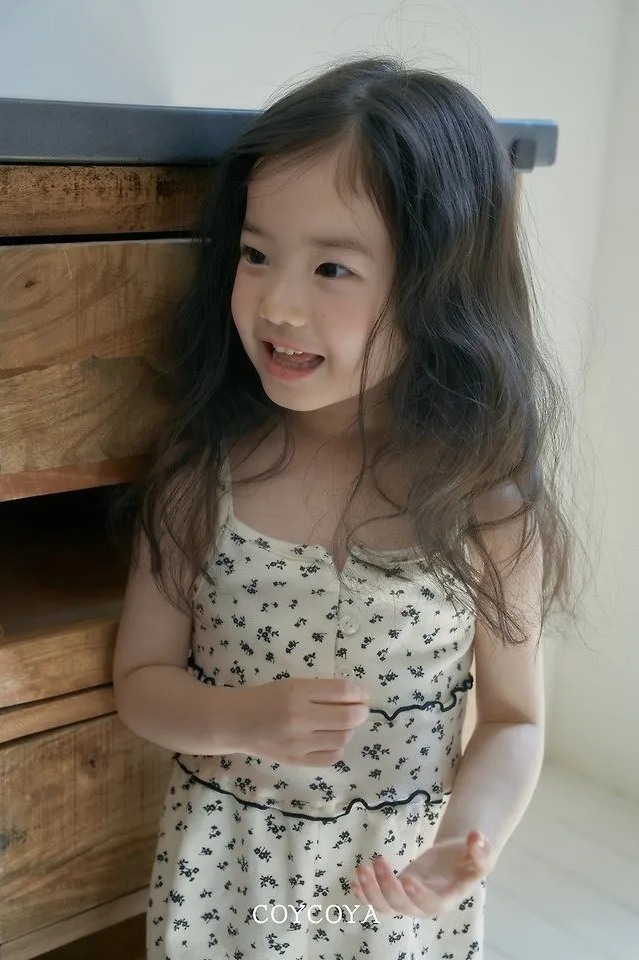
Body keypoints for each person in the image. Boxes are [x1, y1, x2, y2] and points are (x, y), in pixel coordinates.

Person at [112, 55, 578, 960]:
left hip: (389, 897)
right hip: (228, 885)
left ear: (439, 286)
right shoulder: (204, 472)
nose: (278, 305)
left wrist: (465, 841)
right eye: (255, 254)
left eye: (332, 267)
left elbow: (515, 721)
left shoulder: (484, 504)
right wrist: (243, 721)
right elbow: (141, 682)